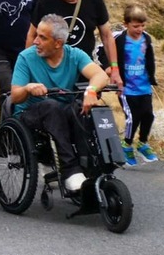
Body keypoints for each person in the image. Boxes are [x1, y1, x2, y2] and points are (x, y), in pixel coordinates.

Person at [11, 14, 110, 192]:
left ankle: (90, 166)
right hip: (30, 115)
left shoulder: (75, 55)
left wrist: (91, 90)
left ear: (58, 43)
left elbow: (101, 75)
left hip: (62, 111)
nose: (35, 41)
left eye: (42, 37)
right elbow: (15, 96)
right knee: (51, 106)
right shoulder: (26, 57)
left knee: (81, 107)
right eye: (36, 35)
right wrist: (27, 88)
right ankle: (71, 171)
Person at [26, 0, 121, 88]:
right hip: (51, 70)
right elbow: (32, 35)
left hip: (83, 69)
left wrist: (114, 69)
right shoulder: (47, 1)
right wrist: (29, 69)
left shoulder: (94, 1)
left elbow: (107, 36)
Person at [115, 5, 159, 165]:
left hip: (144, 86)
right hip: (127, 89)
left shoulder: (146, 39)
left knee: (148, 115)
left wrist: (151, 77)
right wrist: (116, 80)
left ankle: (142, 143)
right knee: (132, 118)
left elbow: (150, 59)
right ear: (126, 24)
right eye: (135, 26)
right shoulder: (120, 40)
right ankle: (126, 145)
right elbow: (113, 59)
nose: (139, 29)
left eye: (142, 25)